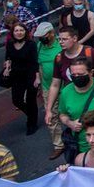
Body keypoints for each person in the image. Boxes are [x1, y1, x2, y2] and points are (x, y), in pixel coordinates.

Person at [1, 22, 39, 136]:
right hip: (16, 75)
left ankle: (32, 123)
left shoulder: (31, 44)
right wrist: (7, 66)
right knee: (16, 100)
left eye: (21, 30)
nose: (19, 33)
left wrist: (37, 78)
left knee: (31, 100)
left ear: (25, 32)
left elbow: (35, 62)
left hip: (30, 75)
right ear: (13, 32)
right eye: (16, 30)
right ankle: (32, 115)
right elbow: (8, 57)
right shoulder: (10, 44)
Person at [33, 22, 64, 159]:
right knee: (50, 116)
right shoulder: (39, 46)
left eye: (43, 35)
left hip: (65, 87)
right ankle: (58, 145)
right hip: (47, 87)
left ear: (51, 33)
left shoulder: (60, 45)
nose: (41, 38)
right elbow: (38, 64)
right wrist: (38, 78)